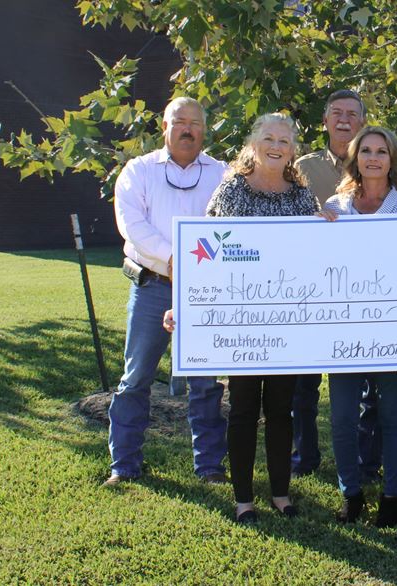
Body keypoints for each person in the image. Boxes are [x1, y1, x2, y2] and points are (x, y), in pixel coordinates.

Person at [167, 112, 320, 524]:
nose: (276, 146)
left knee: (281, 409)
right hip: (243, 324)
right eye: (268, 138)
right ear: (253, 144)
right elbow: (205, 256)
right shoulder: (232, 190)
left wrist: (327, 230)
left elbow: (317, 258)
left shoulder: (303, 197)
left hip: (288, 323)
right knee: (244, 409)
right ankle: (243, 499)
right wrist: (184, 306)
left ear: (293, 150)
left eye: (284, 141)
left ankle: (281, 493)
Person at [106, 97, 228, 487]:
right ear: (165, 126)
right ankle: (123, 465)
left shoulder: (223, 174)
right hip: (153, 287)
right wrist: (177, 258)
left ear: (204, 129)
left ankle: (209, 467)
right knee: (136, 376)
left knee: (206, 382)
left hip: (206, 292)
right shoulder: (138, 171)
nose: (187, 129)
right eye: (180, 122)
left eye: (195, 122)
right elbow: (132, 226)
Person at [319, 126, 397, 527]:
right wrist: (313, 231)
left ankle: (392, 496)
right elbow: (317, 268)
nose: (373, 158)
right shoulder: (335, 207)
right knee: (342, 417)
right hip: (343, 331)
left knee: (392, 416)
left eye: (381, 151)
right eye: (366, 151)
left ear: (392, 159)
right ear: (355, 157)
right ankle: (351, 493)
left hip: (393, 333)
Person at [291, 90, 382, 482]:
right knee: (303, 386)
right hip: (310, 290)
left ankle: (366, 464)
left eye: (352, 114)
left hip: (361, 292)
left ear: (362, 122)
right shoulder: (302, 167)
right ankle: (304, 457)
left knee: (367, 388)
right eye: (336, 113)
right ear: (325, 121)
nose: (344, 120)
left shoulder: (376, 162)